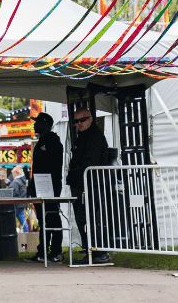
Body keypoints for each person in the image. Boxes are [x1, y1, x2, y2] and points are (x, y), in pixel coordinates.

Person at [67, 105, 110, 264]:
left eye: (82, 120)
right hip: (83, 185)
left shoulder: (94, 136)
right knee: (84, 219)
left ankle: (98, 253)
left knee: (88, 219)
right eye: (76, 121)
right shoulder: (84, 136)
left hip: (91, 185)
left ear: (91, 118)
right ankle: (92, 251)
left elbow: (88, 162)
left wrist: (74, 175)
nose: (79, 123)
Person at [25, 112, 63, 263]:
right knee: (43, 220)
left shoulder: (53, 142)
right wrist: (32, 185)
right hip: (39, 186)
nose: (34, 125)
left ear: (45, 124)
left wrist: (50, 186)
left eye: (37, 122)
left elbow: (53, 166)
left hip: (50, 186)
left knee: (52, 218)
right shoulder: (41, 142)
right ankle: (42, 251)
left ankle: (56, 251)